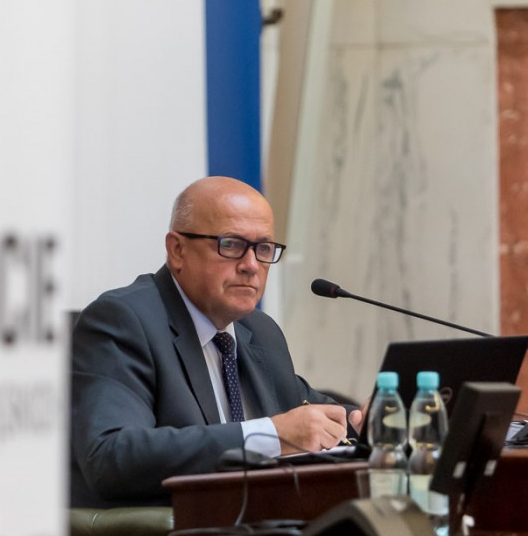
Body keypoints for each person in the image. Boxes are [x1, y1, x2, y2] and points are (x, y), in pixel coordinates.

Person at [70, 176, 362, 508]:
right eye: (232, 245)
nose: (251, 266)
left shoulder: (259, 331)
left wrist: (365, 421)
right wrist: (270, 435)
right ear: (177, 250)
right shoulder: (123, 321)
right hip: (166, 533)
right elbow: (111, 456)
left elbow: (302, 408)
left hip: (256, 525)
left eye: (263, 249)